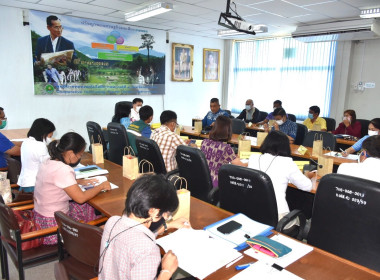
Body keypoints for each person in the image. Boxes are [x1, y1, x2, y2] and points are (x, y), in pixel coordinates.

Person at [99, 174, 190, 280]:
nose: (166, 218)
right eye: (167, 214)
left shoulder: (112, 222)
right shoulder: (148, 250)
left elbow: (133, 235)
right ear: (153, 211)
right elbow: (140, 244)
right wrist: (166, 271)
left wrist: (168, 226)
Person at [33, 132, 111, 245]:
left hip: (41, 219)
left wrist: (77, 182)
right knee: (87, 206)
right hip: (55, 227)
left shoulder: (48, 161)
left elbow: (53, 180)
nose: (80, 157)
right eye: (79, 155)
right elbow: (80, 198)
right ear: (70, 153)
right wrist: (101, 186)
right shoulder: (63, 170)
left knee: (85, 207)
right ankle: (92, 237)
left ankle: (91, 230)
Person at [248, 131, 313, 224]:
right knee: (306, 222)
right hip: (278, 217)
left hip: (253, 211)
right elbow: (307, 186)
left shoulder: (253, 158)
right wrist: (306, 175)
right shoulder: (287, 162)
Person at [201, 116, 245, 187]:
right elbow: (239, 164)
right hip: (217, 182)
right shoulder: (226, 148)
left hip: (203, 178)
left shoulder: (204, 142)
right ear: (228, 130)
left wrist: (233, 155)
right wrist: (251, 161)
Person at [17, 118, 56, 193]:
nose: (50, 139)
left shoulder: (26, 142)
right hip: (35, 184)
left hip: (24, 183)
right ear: (43, 133)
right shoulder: (40, 146)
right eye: (50, 136)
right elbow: (48, 166)